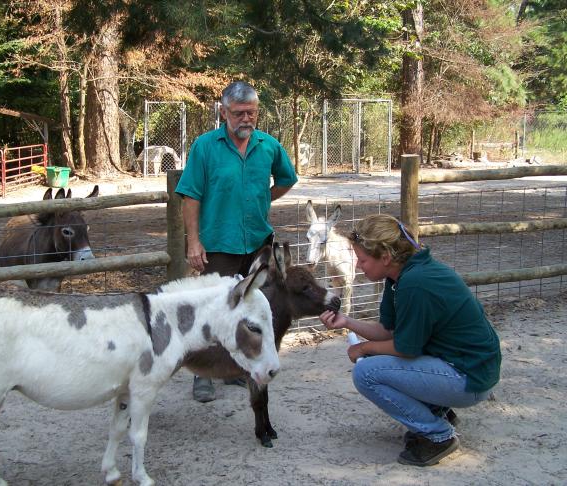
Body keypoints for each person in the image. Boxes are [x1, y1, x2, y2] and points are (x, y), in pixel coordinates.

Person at [319, 214, 501, 467]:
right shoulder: (400, 277)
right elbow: (388, 331)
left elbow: (405, 348)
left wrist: (363, 347)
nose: (359, 266)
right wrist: (347, 322)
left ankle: (438, 435)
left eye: (362, 259)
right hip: (465, 369)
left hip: (469, 379)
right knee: (373, 359)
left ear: (385, 257)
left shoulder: (415, 283)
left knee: (366, 373)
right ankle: (437, 410)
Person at [175, 80, 298, 402]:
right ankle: (201, 374)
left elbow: (287, 178)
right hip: (219, 244)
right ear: (223, 112)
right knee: (212, 311)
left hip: (257, 241)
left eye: (252, 113)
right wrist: (193, 242)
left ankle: (234, 369)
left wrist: (263, 200)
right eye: (239, 113)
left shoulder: (268, 146)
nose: (246, 119)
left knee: (251, 309)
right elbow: (190, 195)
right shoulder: (205, 146)